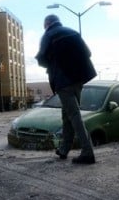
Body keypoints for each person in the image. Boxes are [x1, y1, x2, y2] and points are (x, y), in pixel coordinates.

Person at [35, 14, 97, 164]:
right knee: (67, 114)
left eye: (44, 25)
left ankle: (88, 152)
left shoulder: (48, 35)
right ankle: (64, 149)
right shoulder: (73, 32)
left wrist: (54, 64)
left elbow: (41, 58)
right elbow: (88, 53)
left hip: (63, 81)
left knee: (74, 115)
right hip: (79, 79)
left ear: (47, 23)